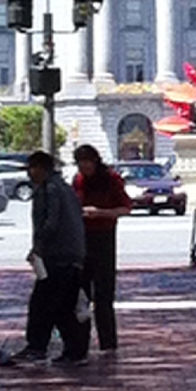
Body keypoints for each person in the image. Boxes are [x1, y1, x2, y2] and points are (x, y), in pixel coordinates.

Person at [13, 150, 87, 364]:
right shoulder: (64, 188)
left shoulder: (50, 189)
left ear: (41, 168)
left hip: (57, 256)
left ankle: (38, 347)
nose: (30, 173)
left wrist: (38, 247)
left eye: (32, 168)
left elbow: (50, 223)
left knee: (43, 304)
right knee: (62, 305)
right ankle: (73, 350)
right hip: (71, 254)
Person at [72, 144, 132, 356]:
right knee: (81, 293)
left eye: (88, 162)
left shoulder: (111, 179)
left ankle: (108, 342)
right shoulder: (78, 180)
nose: (85, 167)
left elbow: (125, 208)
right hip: (82, 239)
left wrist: (101, 213)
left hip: (104, 237)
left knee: (104, 294)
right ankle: (80, 343)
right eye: (80, 163)